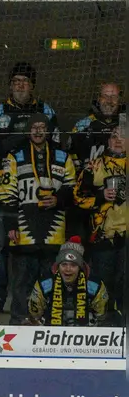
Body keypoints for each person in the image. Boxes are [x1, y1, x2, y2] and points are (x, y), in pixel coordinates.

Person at [0, 62, 59, 313]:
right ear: (10, 85)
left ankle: (35, 301)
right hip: (3, 191)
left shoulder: (46, 111)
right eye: (16, 81)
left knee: (36, 247)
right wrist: (13, 142)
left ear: (33, 85)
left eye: (25, 81)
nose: (20, 85)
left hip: (37, 192)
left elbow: (58, 148)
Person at [0, 118, 76, 321]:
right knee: (22, 282)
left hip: (54, 232)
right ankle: (19, 322)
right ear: (27, 131)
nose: (38, 131)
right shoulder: (15, 156)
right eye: (34, 127)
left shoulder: (63, 156)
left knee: (51, 282)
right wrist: (11, 225)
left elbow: (73, 189)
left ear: (48, 131)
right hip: (24, 231)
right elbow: (6, 192)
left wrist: (58, 199)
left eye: (42, 128)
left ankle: (49, 322)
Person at [72, 126, 128, 305]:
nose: (118, 140)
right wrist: (100, 196)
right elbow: (77, 197)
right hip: (103, 237)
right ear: (108, 141)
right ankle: (103, 319)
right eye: (114, 136)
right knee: (102, 284)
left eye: (123, 137)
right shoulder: (94, 165)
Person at [26, 239, 113, 327]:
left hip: (86, 331)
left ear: (80, 267)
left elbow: (102, 317)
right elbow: (34, 315)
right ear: (58, 266)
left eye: (73, 265)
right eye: (64, 264)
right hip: (51, 331)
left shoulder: (95, 285)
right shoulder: (44, 284)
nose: (68, 269)